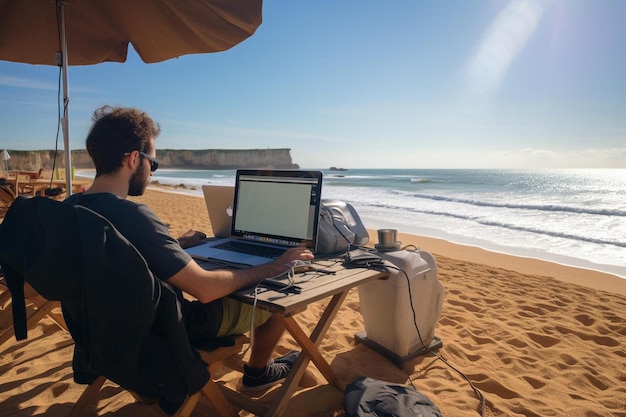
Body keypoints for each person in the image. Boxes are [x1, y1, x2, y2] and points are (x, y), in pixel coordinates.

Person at [65, 105, 314, 392]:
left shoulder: (71, 210)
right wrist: (273, 266)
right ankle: (258, 373)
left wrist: (175, 246)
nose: (151, 172)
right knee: (282, 298)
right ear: (135, 158)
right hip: (168, 334)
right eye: (153, 164)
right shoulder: (133, 216)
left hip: (101, 336)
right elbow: (205, 289)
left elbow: (113, 254)